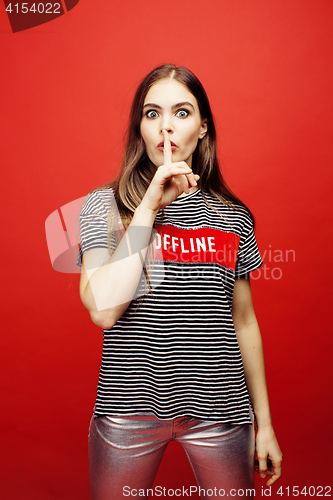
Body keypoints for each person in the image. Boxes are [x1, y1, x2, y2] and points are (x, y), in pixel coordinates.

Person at [77, 64, 282, 499]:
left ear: (203, 128)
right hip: (126, 413)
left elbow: (243, 322)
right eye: (152, 114)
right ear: (141, 127)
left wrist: (265, 425)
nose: (166, 126)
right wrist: (149, 208)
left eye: (182, 113)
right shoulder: (103, 206)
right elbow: (103, 309)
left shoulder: (231, 216)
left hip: (222, 414)